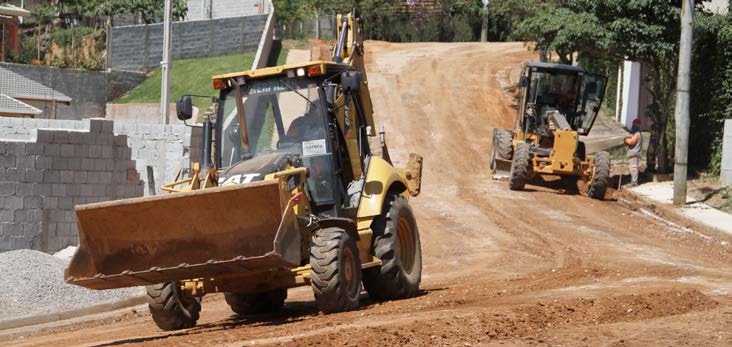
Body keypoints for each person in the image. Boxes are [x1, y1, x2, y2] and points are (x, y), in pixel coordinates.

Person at [625, 118, 643, 187]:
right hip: (634, 154)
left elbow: (632, 142)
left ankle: (634, 182)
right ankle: (633, 181)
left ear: (636, 125)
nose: (632, 126)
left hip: (635, 154)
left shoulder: (637, 134)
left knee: (633, 168)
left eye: (634, 124)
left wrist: (626, 140)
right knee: (632, 168)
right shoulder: (636, 133)